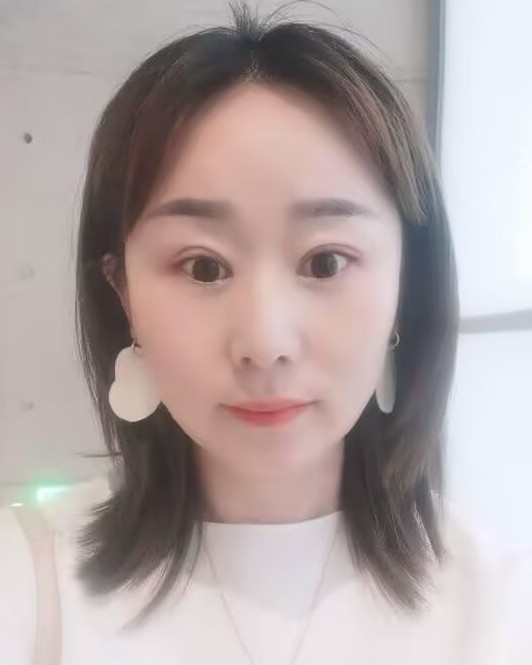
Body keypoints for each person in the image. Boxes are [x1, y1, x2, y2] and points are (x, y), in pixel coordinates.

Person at [1, 3, 530, 664]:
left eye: (325, 262)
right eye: (203, 266)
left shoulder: (503, 609)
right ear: (124, 293)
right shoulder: (32, 577)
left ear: (405, 285)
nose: (265, 342)